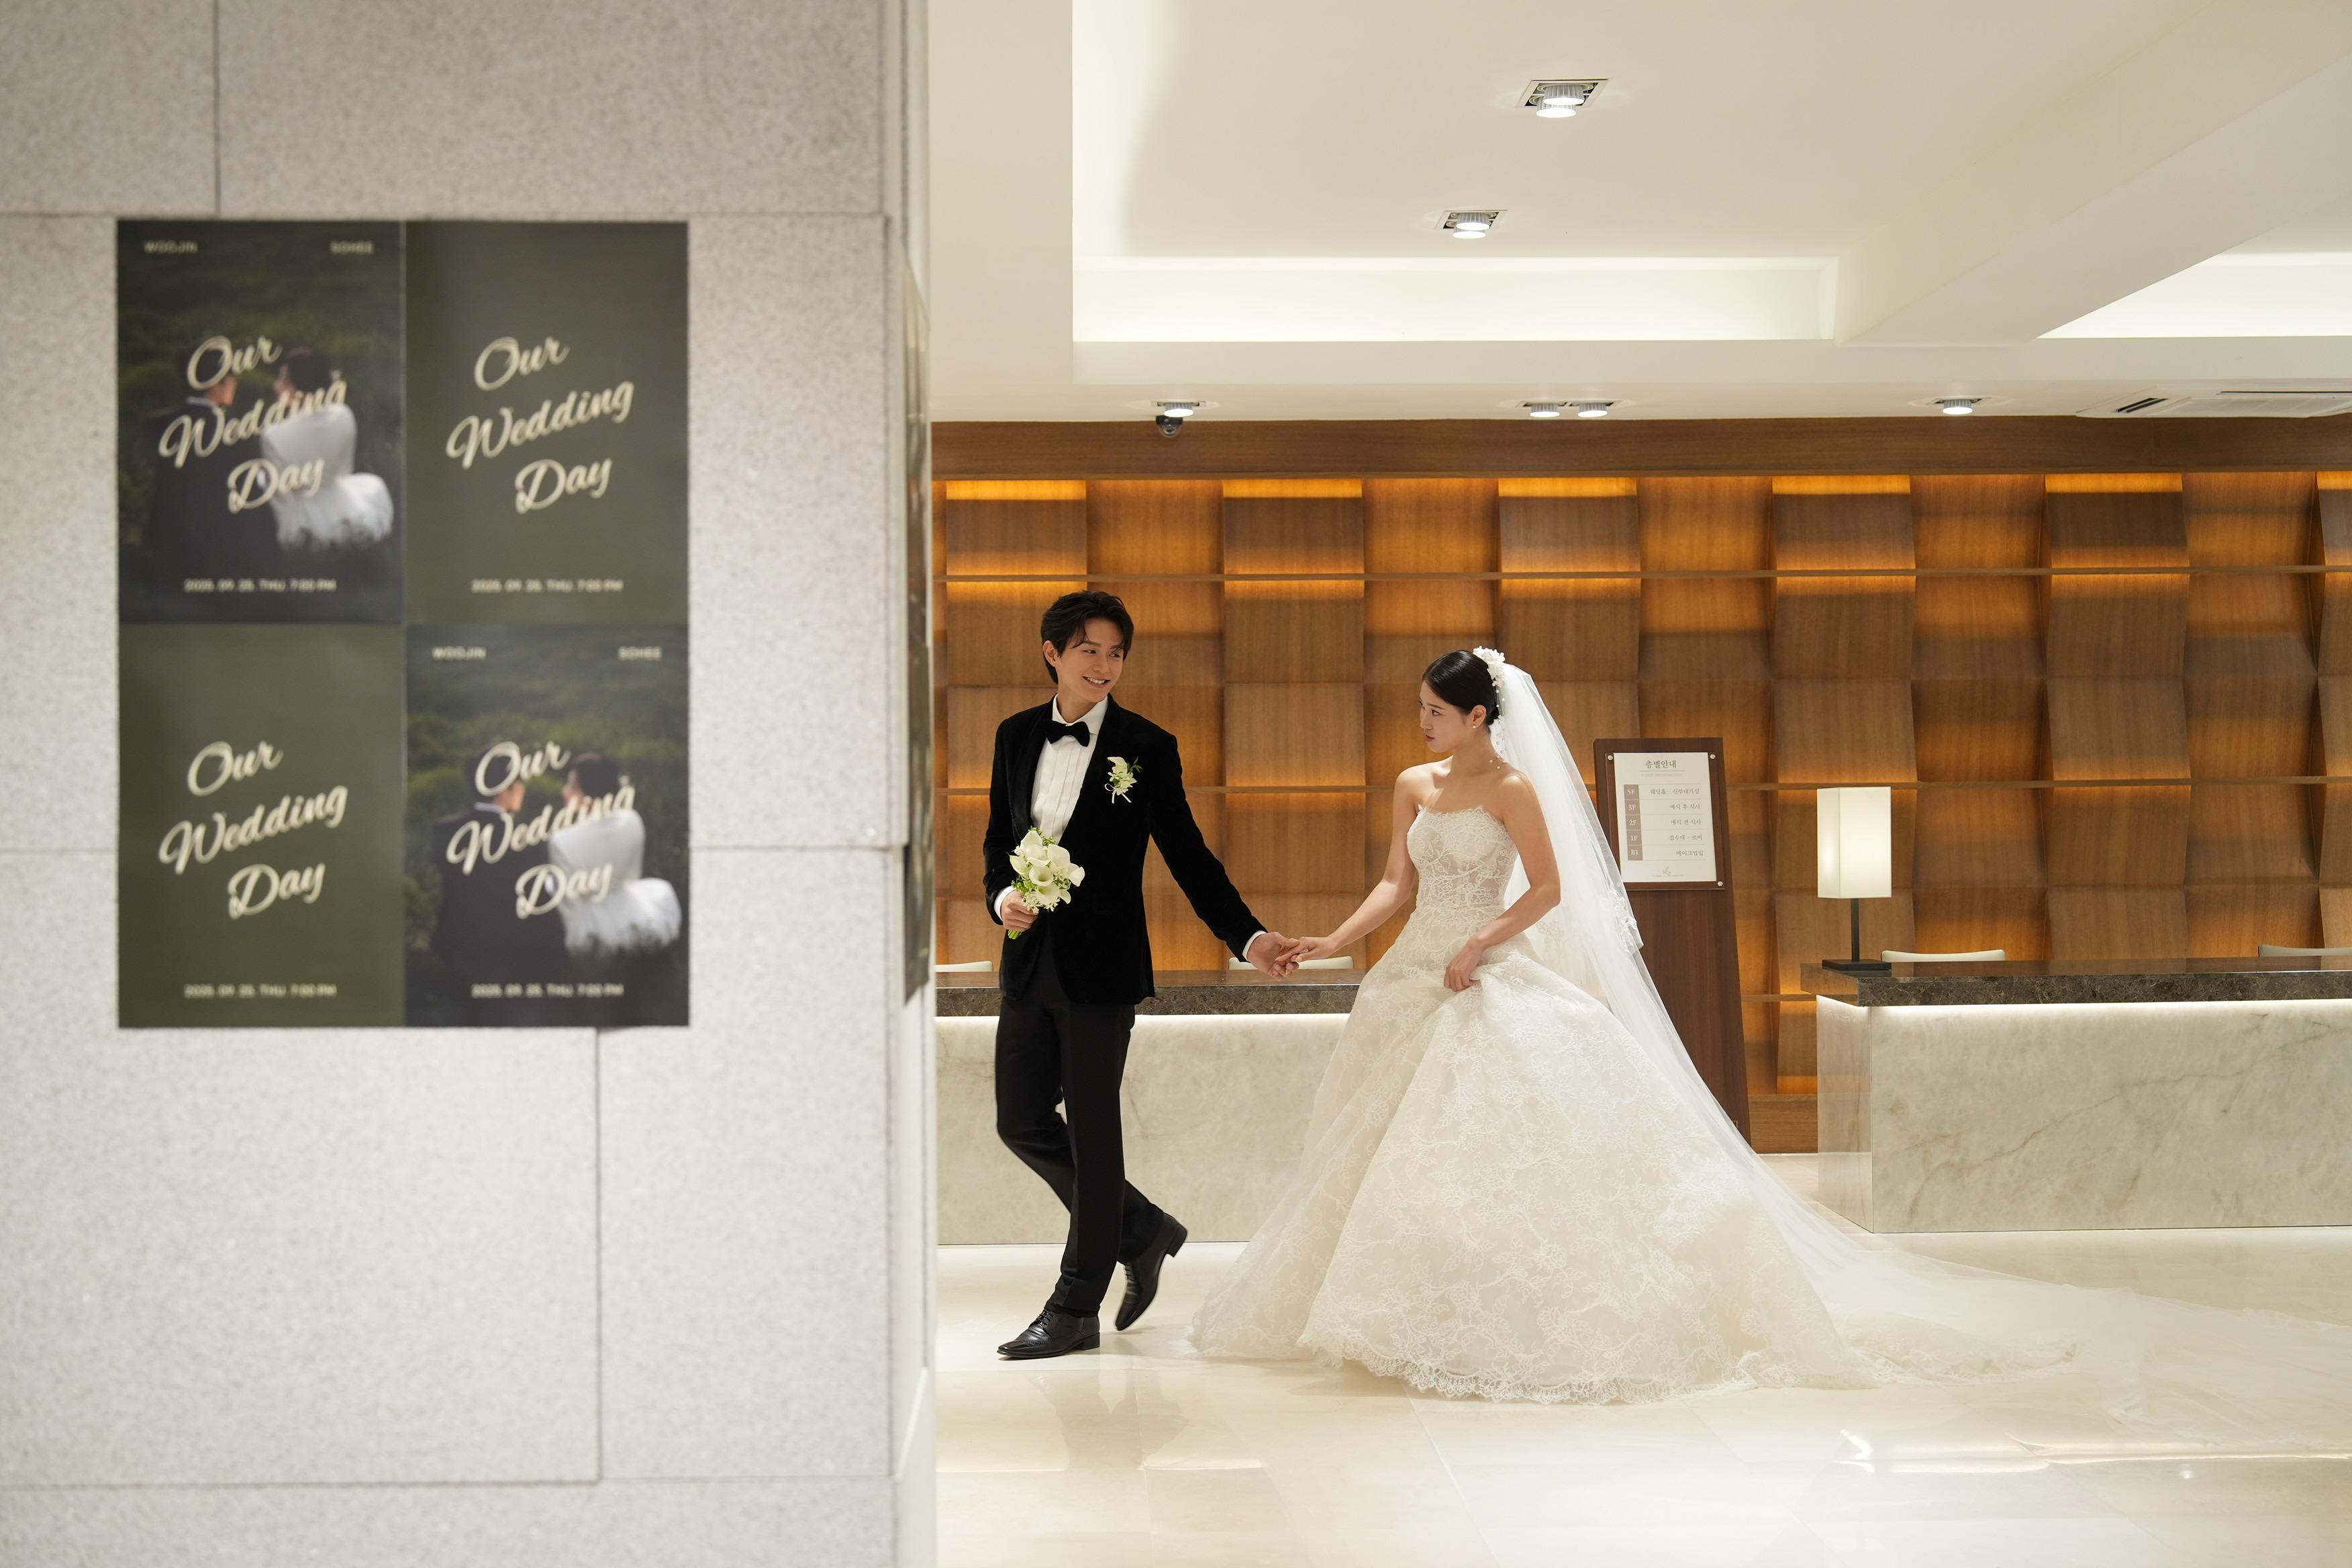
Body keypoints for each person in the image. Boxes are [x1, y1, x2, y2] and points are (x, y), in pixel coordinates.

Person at [1191, 648, 2352, 1444]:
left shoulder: (1518, 792)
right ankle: (1395, 1315)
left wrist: (1482, 944)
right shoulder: (1414, 783)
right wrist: (1332, 941)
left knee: (1495, 1158)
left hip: (1483, 976)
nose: (1422, 727)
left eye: (1436, 713)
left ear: (1480, 717)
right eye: (1422, 714)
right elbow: (1396, 884)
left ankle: (1482, 1322)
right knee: (1381, 1156)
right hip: (1410, 980)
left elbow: (1547, 890)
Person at [985, 591, 1301, 1361]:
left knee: (1096, 1135)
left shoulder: (1145, 746)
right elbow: (999, 839)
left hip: (1103, 967)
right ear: (1053, 652)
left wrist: (1248, 936)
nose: (1105, 665)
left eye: (1116, 652)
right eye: (1089, 650)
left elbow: (1189, 855)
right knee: (1019, 1119)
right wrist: (1002, 899)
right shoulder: (1015, 734)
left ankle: (1075, 1306)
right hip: (1029, 961)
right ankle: (1140, 1227)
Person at [428, 745, 572, 1001]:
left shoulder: (445, 830)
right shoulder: (526, 838)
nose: (523, 789)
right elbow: (538, 904)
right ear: (506, 789)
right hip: (511, 952)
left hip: (457, 943)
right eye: (520, 783)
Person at [257, 345, 395, 550]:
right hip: (341, 502)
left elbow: (281, 503)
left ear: (298, 389)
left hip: (301, 513)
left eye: (283, 380)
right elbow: (344, 472)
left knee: (260, 480)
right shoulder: (343, 415)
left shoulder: (273, 436)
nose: (276, 386)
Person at [547, 752, 683, 957]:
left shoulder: (561, 842)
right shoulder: (632, 820)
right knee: (660, 890)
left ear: (589, 797)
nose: (564, 792)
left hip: (588, 920)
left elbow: (570, 911)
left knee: (548, 887)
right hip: (625, 902)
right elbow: (632, 877)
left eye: (573, 787)